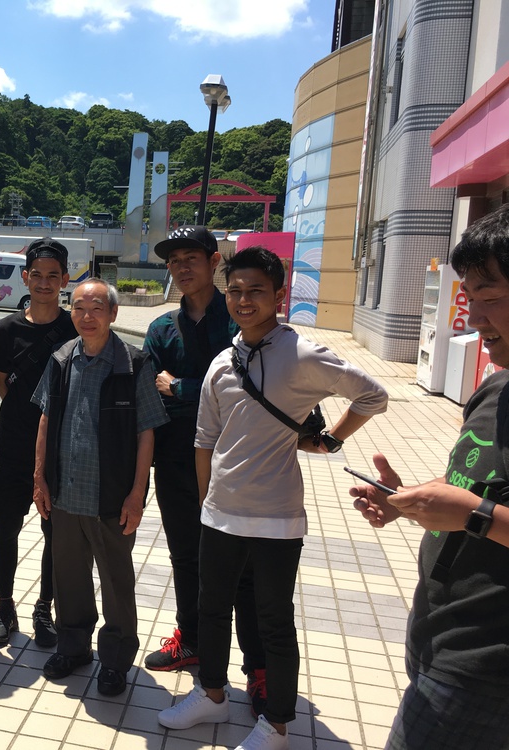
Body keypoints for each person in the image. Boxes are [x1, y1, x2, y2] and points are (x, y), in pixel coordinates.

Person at [158, 247, 388, 749]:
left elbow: (373, 395)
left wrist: (331, 439)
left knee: (274, 623)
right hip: (220, 514)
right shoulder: (223, 362)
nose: (244, 300)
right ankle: (212, 694)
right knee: (212, 609)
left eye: (256, 290)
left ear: (279, 296)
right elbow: (205, 439)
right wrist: (206, 503)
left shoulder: (302, 354)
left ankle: (277, 725)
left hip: (276, 517)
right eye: (236, 290)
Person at [351, 204, 509, 749]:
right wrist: (411, 502)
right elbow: (474, 494)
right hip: (437, 633)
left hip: (486, 667)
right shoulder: (496, 388)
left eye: (491, 298)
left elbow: (477, 510)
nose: (474, 318)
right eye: (470, 298)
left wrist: (472, 514)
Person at [142, 227, 267, 716]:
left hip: (237, 461)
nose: (182, 267)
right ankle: (191, 639)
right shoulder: (161, 328)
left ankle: (258, 668)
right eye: (174, 260)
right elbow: (151, 392)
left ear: (214, 261)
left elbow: (251, 385)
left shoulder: (237, 317)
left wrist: (182, 388)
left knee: (244, 567)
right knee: (185, 556)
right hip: (175, 460)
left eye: (191, 257)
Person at [32, 279, 168, 696]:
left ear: (113, 313)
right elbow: (45, 419)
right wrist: (39, 478)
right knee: (69, 578)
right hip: (65, 494)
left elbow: (147, 431)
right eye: (78, 308)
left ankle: (115, 660)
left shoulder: (134, 363)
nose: (86, 316)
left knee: (116, 583)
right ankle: (74, 648)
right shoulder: (61, 359)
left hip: (111, 497)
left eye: (96, 308)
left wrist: (137, 494)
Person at [0, 237, 76, 646]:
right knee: (6, 528)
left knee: (55, 534)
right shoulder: (6, 329)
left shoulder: (74, 327)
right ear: (25, 277)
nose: (44, 282)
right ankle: (5, 607)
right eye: (36, 274)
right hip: (12, 446)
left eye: (52, 276)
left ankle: (44, 608)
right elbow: (3, 383)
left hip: (59, 451)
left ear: (65, 279)